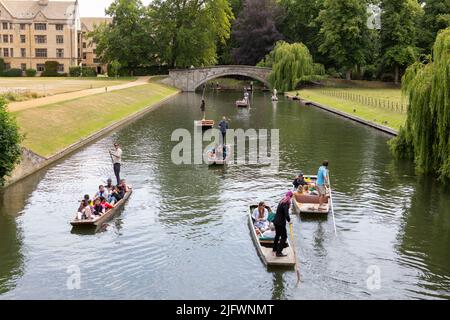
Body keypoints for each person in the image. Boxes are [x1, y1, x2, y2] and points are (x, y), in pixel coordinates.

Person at [273, 191, 293, 257]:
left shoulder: (281, 201)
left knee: (277, 235)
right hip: (281, 223)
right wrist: (289, 221)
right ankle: (278, 252)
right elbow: (286, 214)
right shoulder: (286, 203)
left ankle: (274, 248)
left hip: (276, 221)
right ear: (291, 197)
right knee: (284, 237)